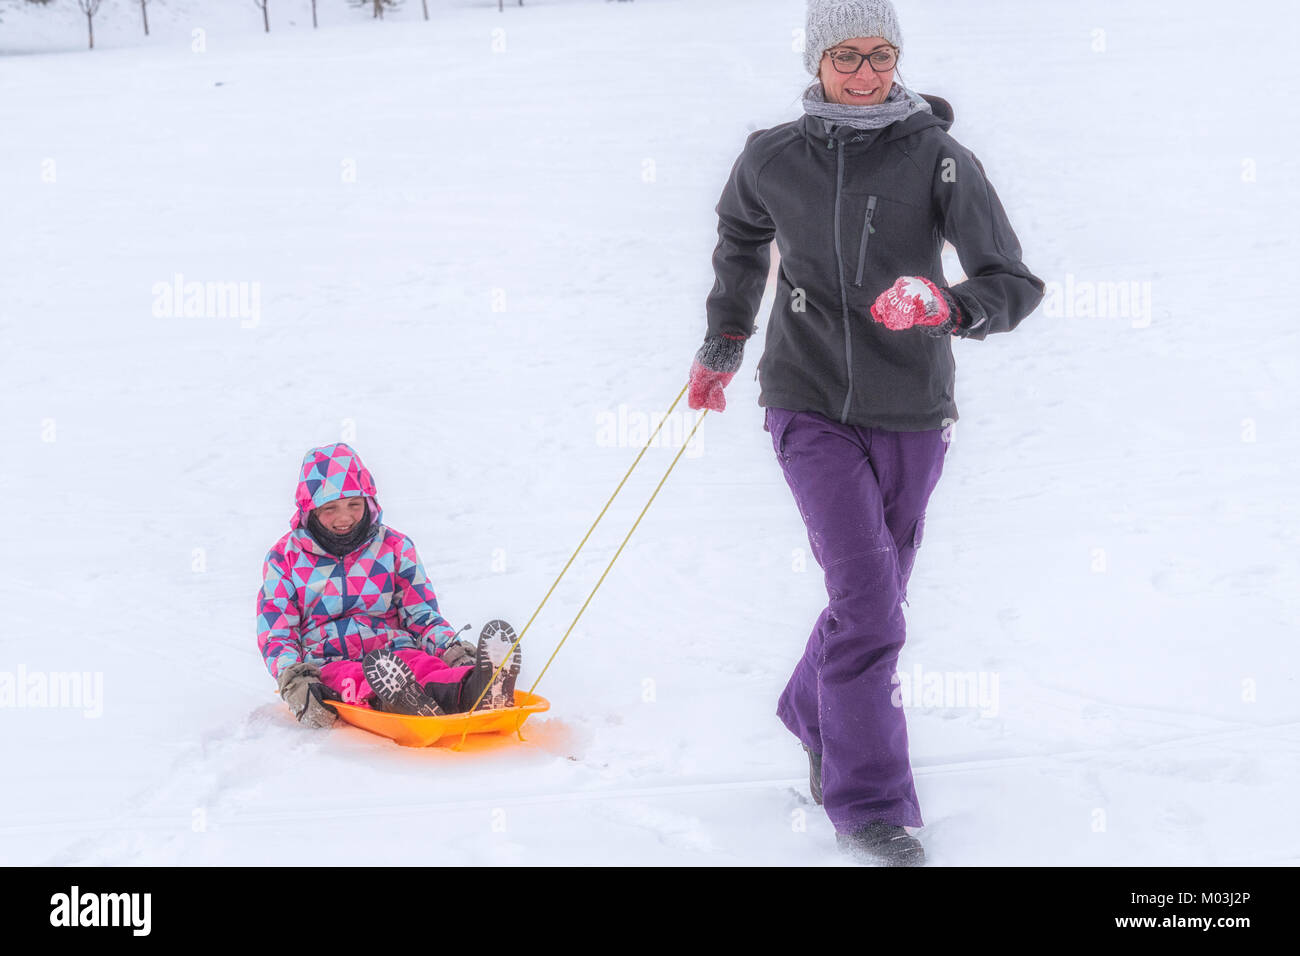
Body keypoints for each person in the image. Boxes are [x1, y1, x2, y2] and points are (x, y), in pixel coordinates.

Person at [686, 0, 1044, 865]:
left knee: (872, 601)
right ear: (817, 62)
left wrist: (952, 307)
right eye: (846, 56)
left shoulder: (939, 159)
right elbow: (741, 234)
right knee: (870, 605)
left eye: (881, 54)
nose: (865, 73)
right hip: (805, 403)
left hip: (914, 410)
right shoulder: (773, 154)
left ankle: (812, 709)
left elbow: (1013, 280)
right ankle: (871, 804)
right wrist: (725, 339)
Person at [256, 442, 521, 728]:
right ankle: (396, 700)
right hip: (327, 660)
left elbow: (422, 615)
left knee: (424, 665)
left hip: (395, 650)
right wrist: (295, 679)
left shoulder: (394, 547)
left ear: (368, 501)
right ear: (310, 509)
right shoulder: (286, 558)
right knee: (352, 679)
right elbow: (278, 633)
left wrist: (453, 651)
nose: (344, 517)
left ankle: (475, 687)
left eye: (354, 504)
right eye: (330, 508)